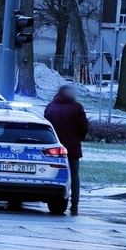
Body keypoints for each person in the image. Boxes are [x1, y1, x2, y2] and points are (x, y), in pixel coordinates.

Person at [44, 84, 88, 216]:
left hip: (54, 149)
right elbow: (84, 127)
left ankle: (55, 199)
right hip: (72, 148)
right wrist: (78, 138)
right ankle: (74, 205)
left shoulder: (51, 107)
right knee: (74, 176)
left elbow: (46, 127)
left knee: (55, 174)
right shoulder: (77, 108)